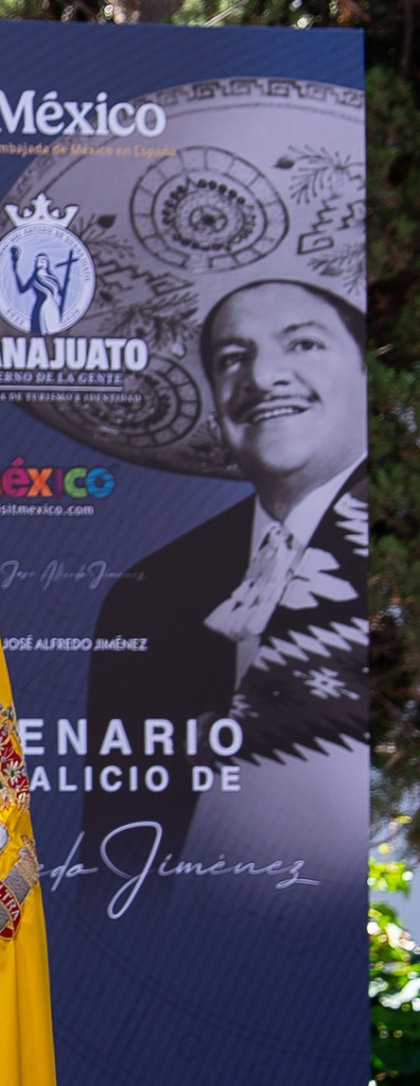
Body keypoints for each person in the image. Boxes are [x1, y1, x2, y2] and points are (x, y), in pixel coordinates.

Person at [84, 278, 367, 856]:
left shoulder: (395, 538)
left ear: (367, 370)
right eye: (233, 358)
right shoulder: (150, 592)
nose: (262, 377)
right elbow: (122, 840)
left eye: (304, 344)